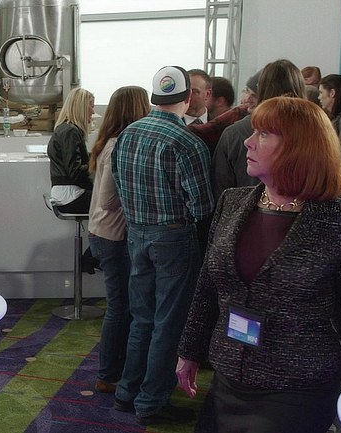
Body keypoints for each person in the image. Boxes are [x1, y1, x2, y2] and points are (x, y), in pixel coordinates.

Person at [177, 97, 341, 432]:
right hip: (229, 375)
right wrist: (189, 351)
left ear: (299, 147)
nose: (247, 141)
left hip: (297, 387)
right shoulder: (232, 202)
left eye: (263, 134)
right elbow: (208, 288)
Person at [111, 66, 215, 426]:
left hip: (136, 233)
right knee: (168, 323)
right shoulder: (188, 142)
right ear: (187, 97)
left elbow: (118, 185)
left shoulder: (128, 134)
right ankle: (152, 401)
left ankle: (127, 391)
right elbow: (203, 207)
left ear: (155, 96)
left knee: (141, 318)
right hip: (173, 238)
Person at [87, 86, 149, 395]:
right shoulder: (118, 145)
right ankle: (109, 374)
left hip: (105, 232)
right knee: (120, 307)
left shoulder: (109, 142)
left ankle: (115, 370)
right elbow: (109, 200)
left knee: (121, 306)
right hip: (113, 234)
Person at [213, 59, 306, 200]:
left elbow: (220, 189)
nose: (249, 142)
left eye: (253, 93)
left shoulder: (234, 133)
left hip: (244, 210)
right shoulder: (319, 131)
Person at [47, 87, 95, 214]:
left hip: (65, 194)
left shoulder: (64, 129)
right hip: (71, 196)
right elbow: (75, 172)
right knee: (117, 202)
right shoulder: (70, 132)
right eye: (91, 106)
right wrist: (95, 164)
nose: (93, 111)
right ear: (81, 107)